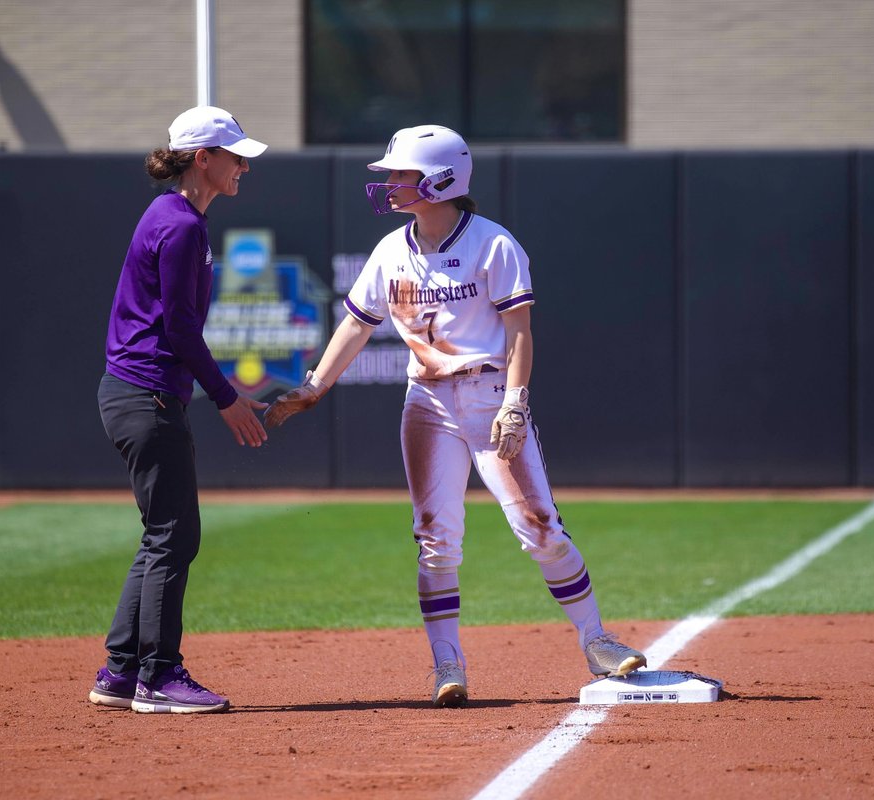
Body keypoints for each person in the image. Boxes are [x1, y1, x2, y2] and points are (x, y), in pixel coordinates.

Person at [264, 124, 646, 707]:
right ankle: (448, 663)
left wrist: (516, 402)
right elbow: (356, 324)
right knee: (436, 541)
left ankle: (596, 639)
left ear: (441, 180)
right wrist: (315, 386)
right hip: (428, 404)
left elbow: (519, 333)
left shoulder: (493, 244)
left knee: (539, 528)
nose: (391, 184)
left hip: (492, 396)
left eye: (403, 174)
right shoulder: (392, 249)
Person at [88, 106, 270, 714]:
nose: (244, 165)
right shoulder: (182, 225)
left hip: (136, 392)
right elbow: (181, 329)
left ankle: (119, 672)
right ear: (203, 159)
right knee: (174, 535)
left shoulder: (176, 215)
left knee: (162, 534)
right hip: (146, 396)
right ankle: (159, 676)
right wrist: (226, 398)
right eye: (235, 155)